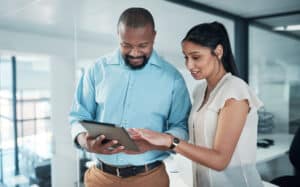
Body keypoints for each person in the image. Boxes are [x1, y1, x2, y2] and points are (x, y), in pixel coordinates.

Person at [129, 21, 264, 187]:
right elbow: (197, 144)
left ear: (219, 51)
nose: (189, 65)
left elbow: (219, 160)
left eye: (196, 57)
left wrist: (169, 140)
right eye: (186, 57)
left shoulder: (235, 91)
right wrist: (153, 144)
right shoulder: (200, 91)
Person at [68, 7, 191, 187]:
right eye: (126, 45)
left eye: (143, 45)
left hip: (149, 179)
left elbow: (181, 128)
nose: (134, 53)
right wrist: (84, 141)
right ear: (118, 35)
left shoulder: (172, 79)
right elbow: (78, 117)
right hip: (99, 178)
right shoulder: (97, 70)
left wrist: (153, 144)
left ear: (154, 36)